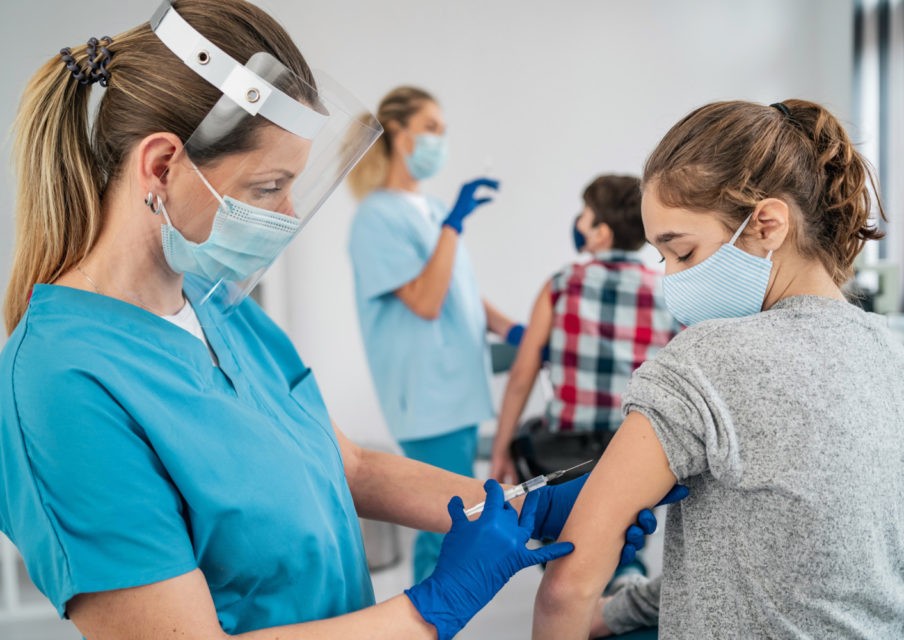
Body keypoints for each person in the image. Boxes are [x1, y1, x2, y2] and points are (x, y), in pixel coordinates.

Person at [0, 2, 661, 638]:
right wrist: (432, 606)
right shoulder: (60, 386)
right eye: (267, 187)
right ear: (163, 166)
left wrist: (525, 506)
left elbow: (349, 468)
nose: (288, 214)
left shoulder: (217, 306)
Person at [531, 98, 904, 639]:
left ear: (766, 224)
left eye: (680, 252)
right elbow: (792, 567)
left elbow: (567, 586)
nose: (672, 278)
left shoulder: (705, 359)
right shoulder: (891, 352)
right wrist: (614, 615)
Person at [347, 86, 524, 582]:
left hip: (456, 390)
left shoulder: (429, 208)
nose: (440, 140)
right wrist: (453, 225)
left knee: (452, 525)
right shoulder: (376, 218)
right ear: (399, 136)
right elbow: (425, 302)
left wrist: (513, 329)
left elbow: (458, 290)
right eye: (431, 128)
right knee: (444, 528)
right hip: (427, 396)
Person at [489, 174, 679, 486]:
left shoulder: (562, 284)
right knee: (626, 527)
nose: (578, 223)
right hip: (634, 448)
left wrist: (499, 453)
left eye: (585, 215)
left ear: (601, 233)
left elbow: (522, 376)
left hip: (566, 453)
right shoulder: (666, 291)